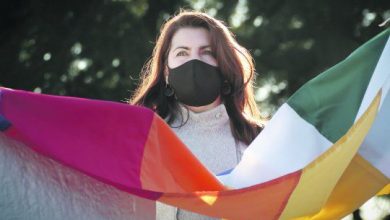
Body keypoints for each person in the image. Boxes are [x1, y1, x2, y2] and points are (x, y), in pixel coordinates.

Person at [130, 10, 264, 220]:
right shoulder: (140, 141)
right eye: (182, 53)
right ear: (166, 70)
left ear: (223, 65)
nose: (194, 62)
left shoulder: (260, 140)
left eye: (207, 52)